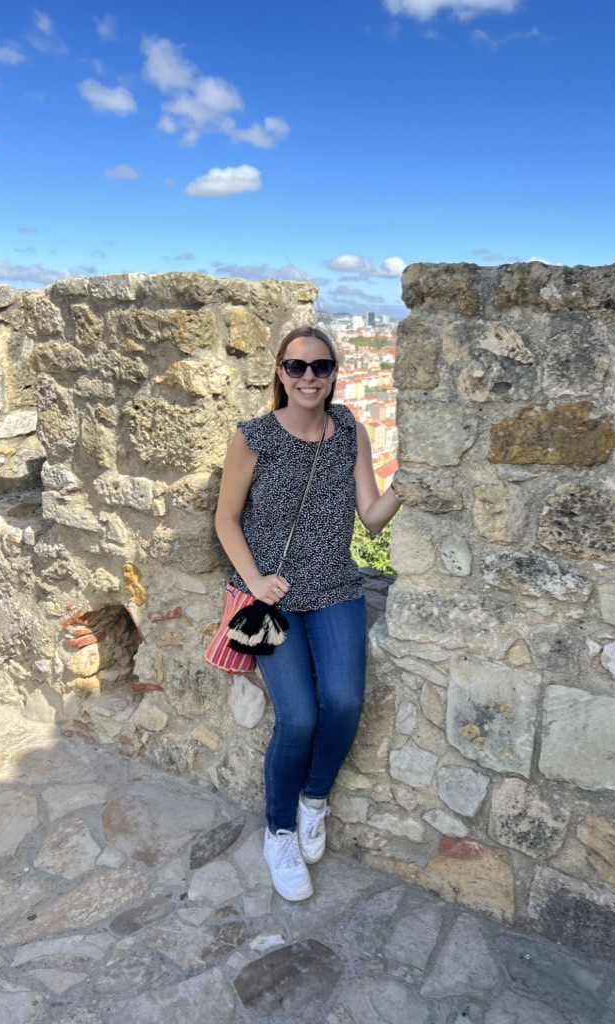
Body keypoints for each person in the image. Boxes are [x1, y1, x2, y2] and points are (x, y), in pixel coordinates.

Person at [215, 325, 402, 901]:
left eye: (320, 367)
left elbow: (370, 517)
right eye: (296, 367)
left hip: (337, 586)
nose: (309, 377)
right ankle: (278, 831)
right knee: (297, 717)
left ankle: (313, 798)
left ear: (333, 373)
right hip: (271, 600)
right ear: (279, 373)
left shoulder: (349, 430)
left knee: (344, 700)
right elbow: (226, 520)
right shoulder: (252, 438)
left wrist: (415, 480)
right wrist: (255, 580)